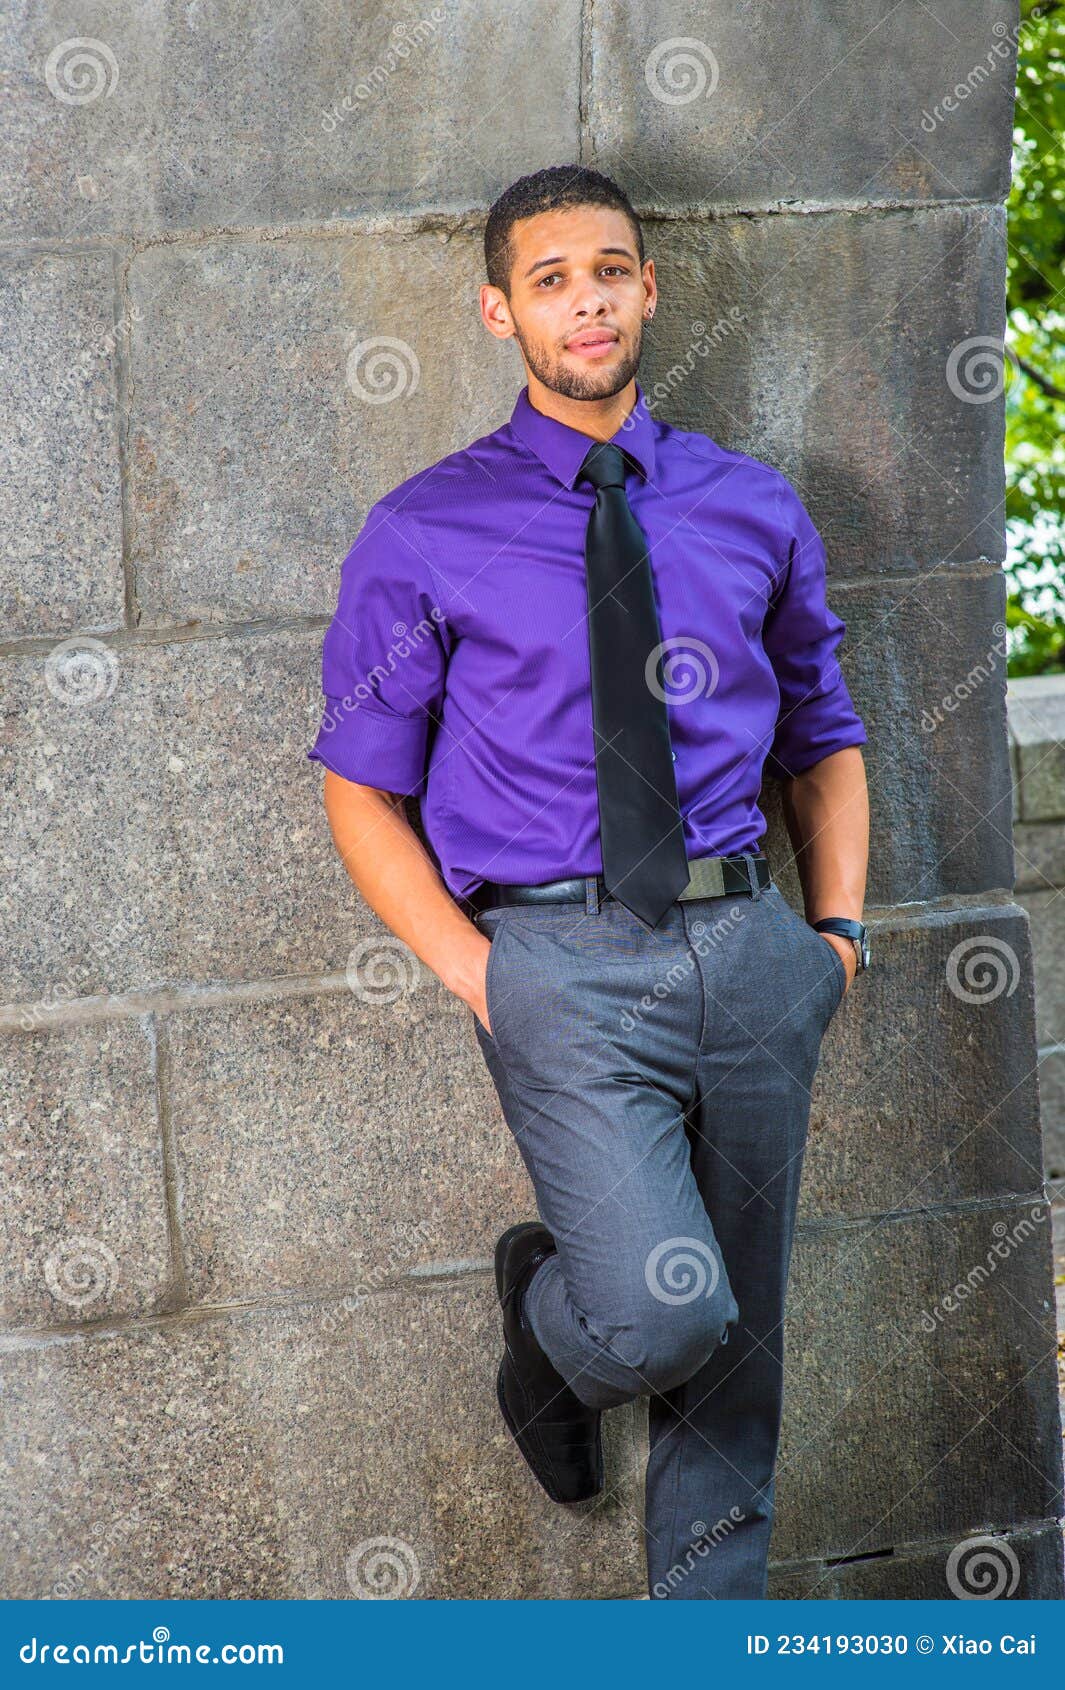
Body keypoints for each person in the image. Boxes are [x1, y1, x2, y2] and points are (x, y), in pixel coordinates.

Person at [307, 164, 871, 1600]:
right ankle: (549, 1322)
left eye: (610, 270)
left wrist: (836, 938)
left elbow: (824, 734)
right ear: (501, 310)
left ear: (649, 289)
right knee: (655, 1313)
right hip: (556, 960)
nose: (588, 300)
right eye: (551, 278)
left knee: (738, 1347)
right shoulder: (425, 529)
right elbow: (359, 781)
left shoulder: (750, 504)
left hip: (750, 945)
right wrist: (473, 966)